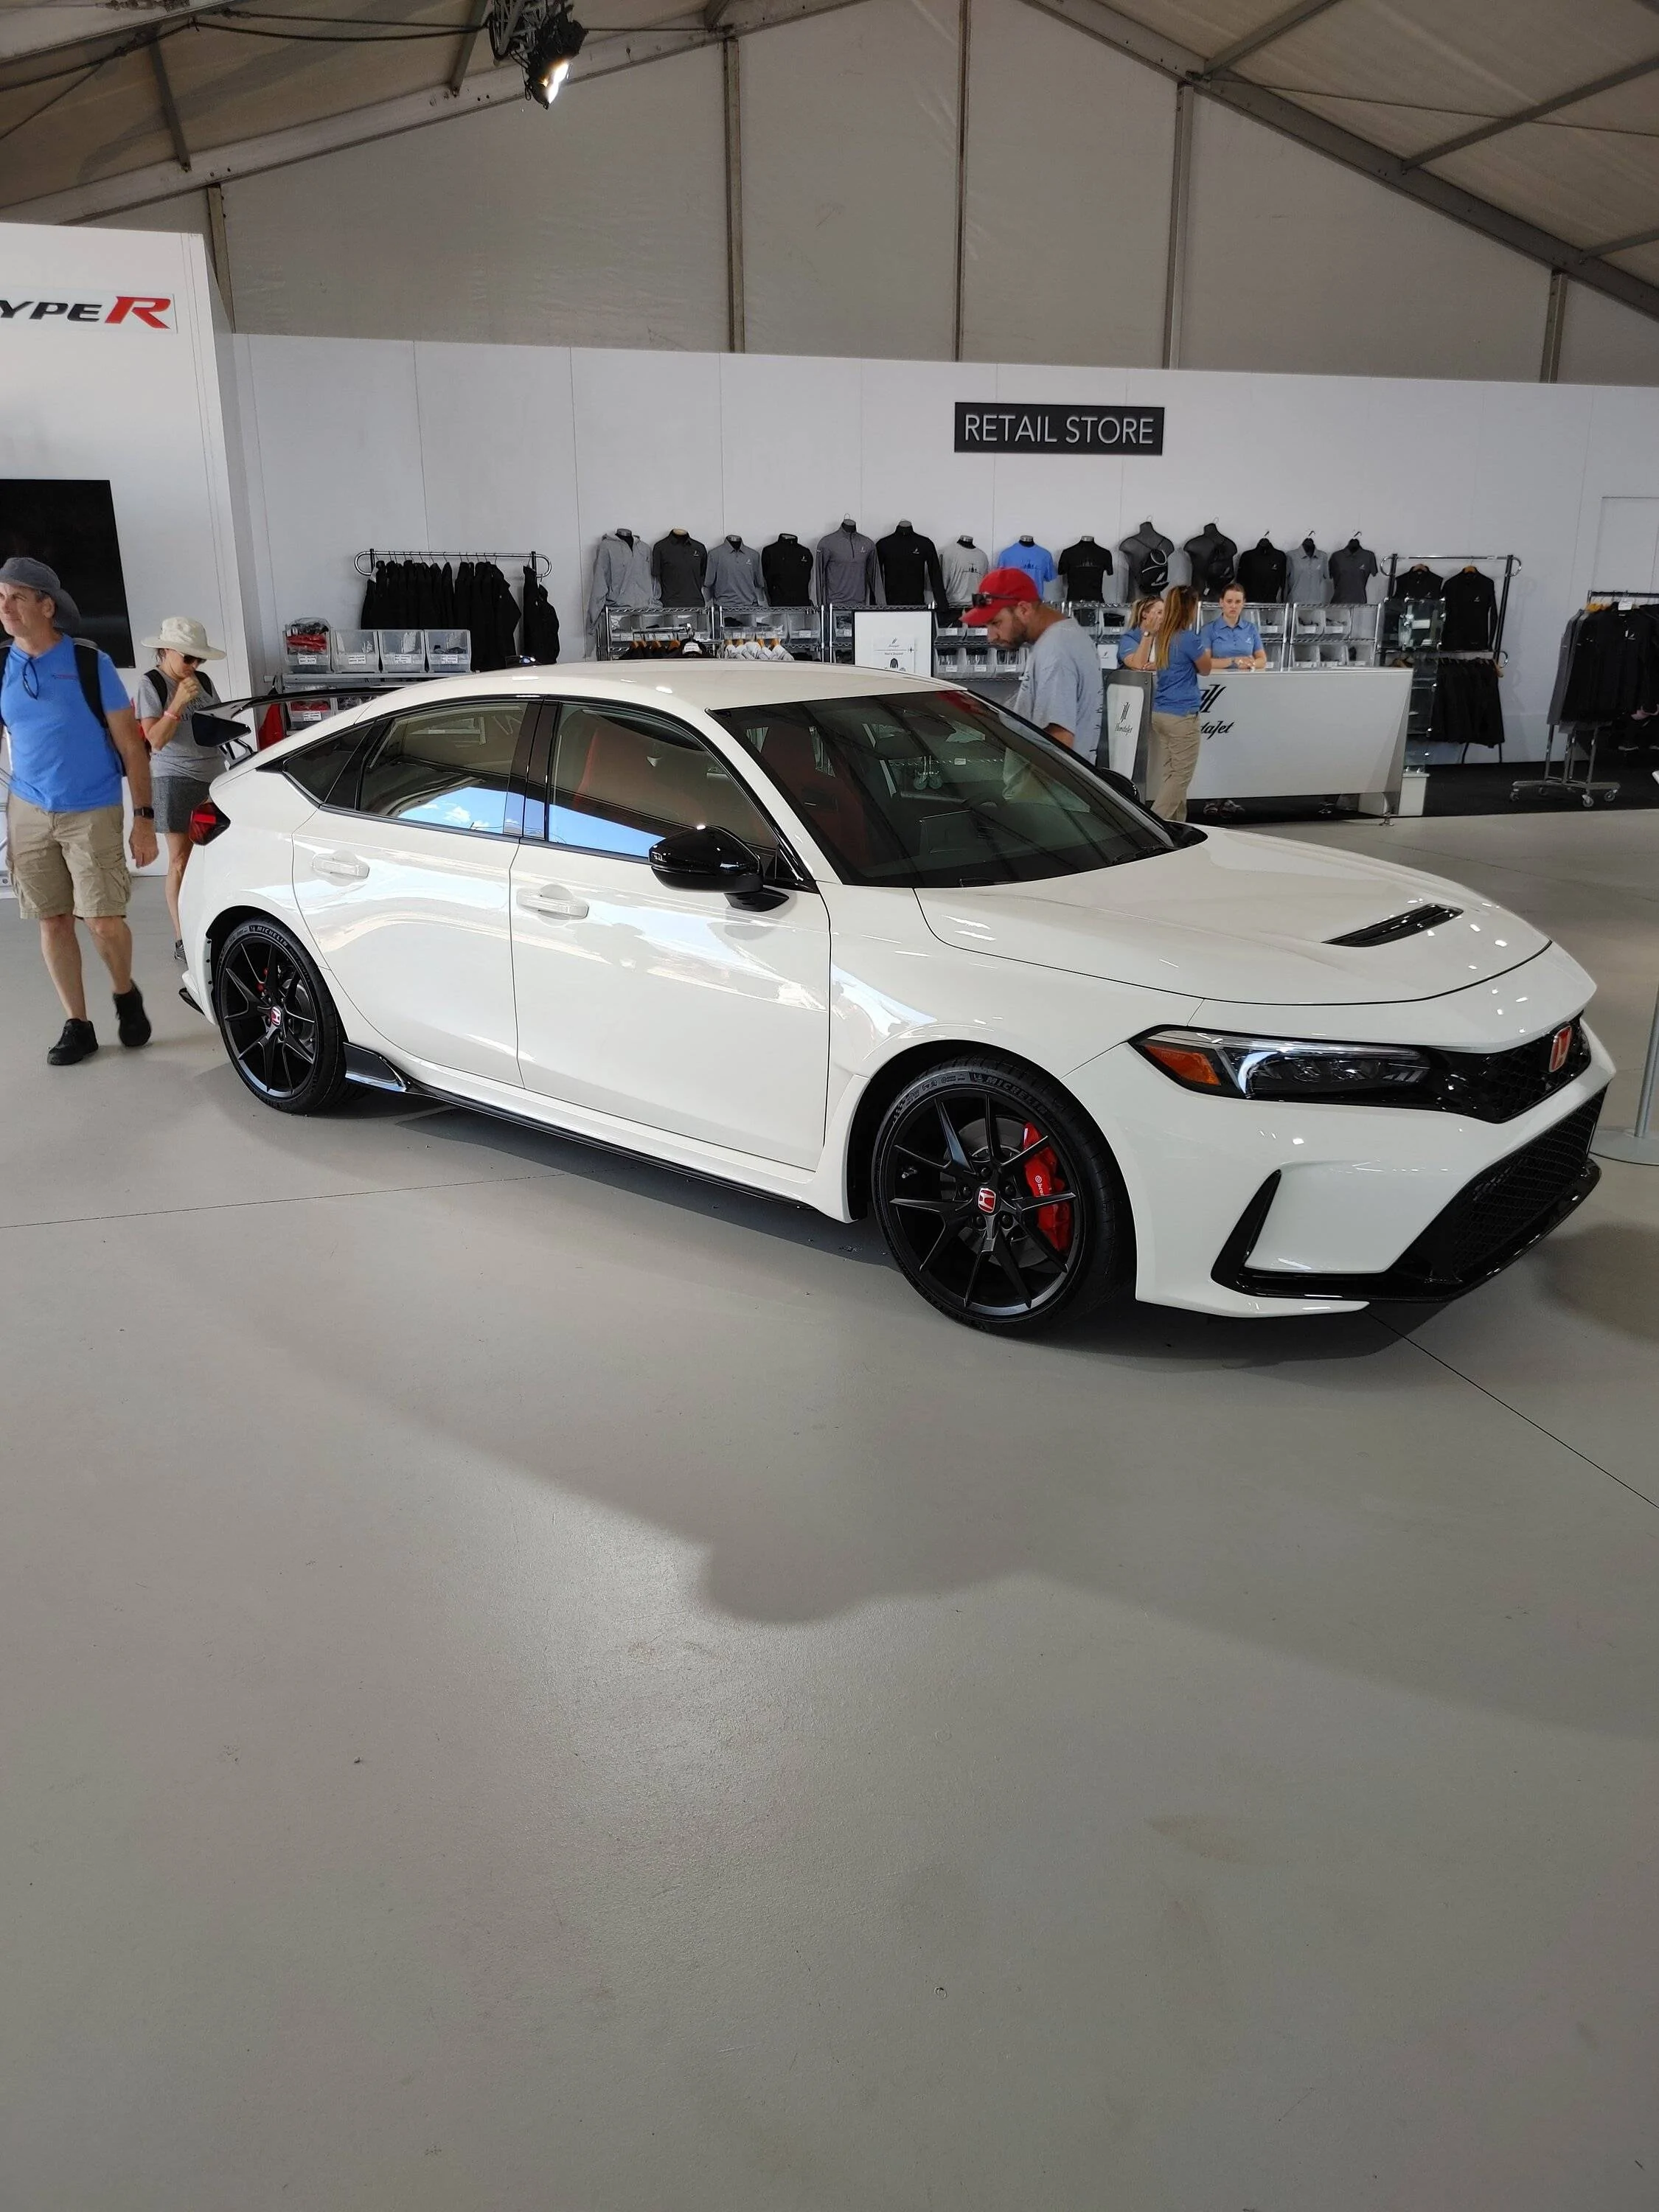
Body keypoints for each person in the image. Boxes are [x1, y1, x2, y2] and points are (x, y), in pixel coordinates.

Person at [0, 557, 155, 1064]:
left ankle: (124, 993)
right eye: (0, 597)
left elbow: (131, 746)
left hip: (92, 809)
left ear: (47, 606)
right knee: (52, 920)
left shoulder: (90, 663)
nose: (5, 608)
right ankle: (78, 1024)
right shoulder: (2, 665)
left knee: (103, 922)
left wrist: (144, 820)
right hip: (28, 808)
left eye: (17, 597)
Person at [136, 615, 228, 963]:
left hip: (213, 775)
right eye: (188, 658)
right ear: (166, 651)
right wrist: (176, 704)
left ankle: (210, 928)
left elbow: (214, 724)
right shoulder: (152, 683)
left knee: (214, 857)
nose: (193, 666)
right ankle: (182, 937)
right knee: (180, 861)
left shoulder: (202, 681)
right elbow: (155, 740)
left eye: (198, 659)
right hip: (173, 778)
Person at [962, 564, 1103, 760]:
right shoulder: (1063, 637)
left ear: (1024, 609)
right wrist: (992, 712)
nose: (991, 637)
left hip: (1047, 780)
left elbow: (1059, 743)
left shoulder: (1055, 650)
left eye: (995, 623)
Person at [1124, 584, 1204, 821]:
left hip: (1163, 712)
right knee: (1180, 776)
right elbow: (1206, 668)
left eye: (1163, 611)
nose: (1161, 616)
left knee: (1173, 774)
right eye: (1157, 612)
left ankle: (1176, 825)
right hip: (1179, 714)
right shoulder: (1180, 638)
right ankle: (1155, 824)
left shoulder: (1166, 638)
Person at [1198, 582, 1268, 672]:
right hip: (1219, 679)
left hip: (1247, 678)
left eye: (1238, 602)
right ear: (1221, 602)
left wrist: (1250, 664)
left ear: (1243, 603)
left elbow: (1262, 660)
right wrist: (1233, 661)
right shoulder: (1208, 630)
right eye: (1229, 601)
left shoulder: (1251, 629)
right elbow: (1204, 663)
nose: (1234, 606)